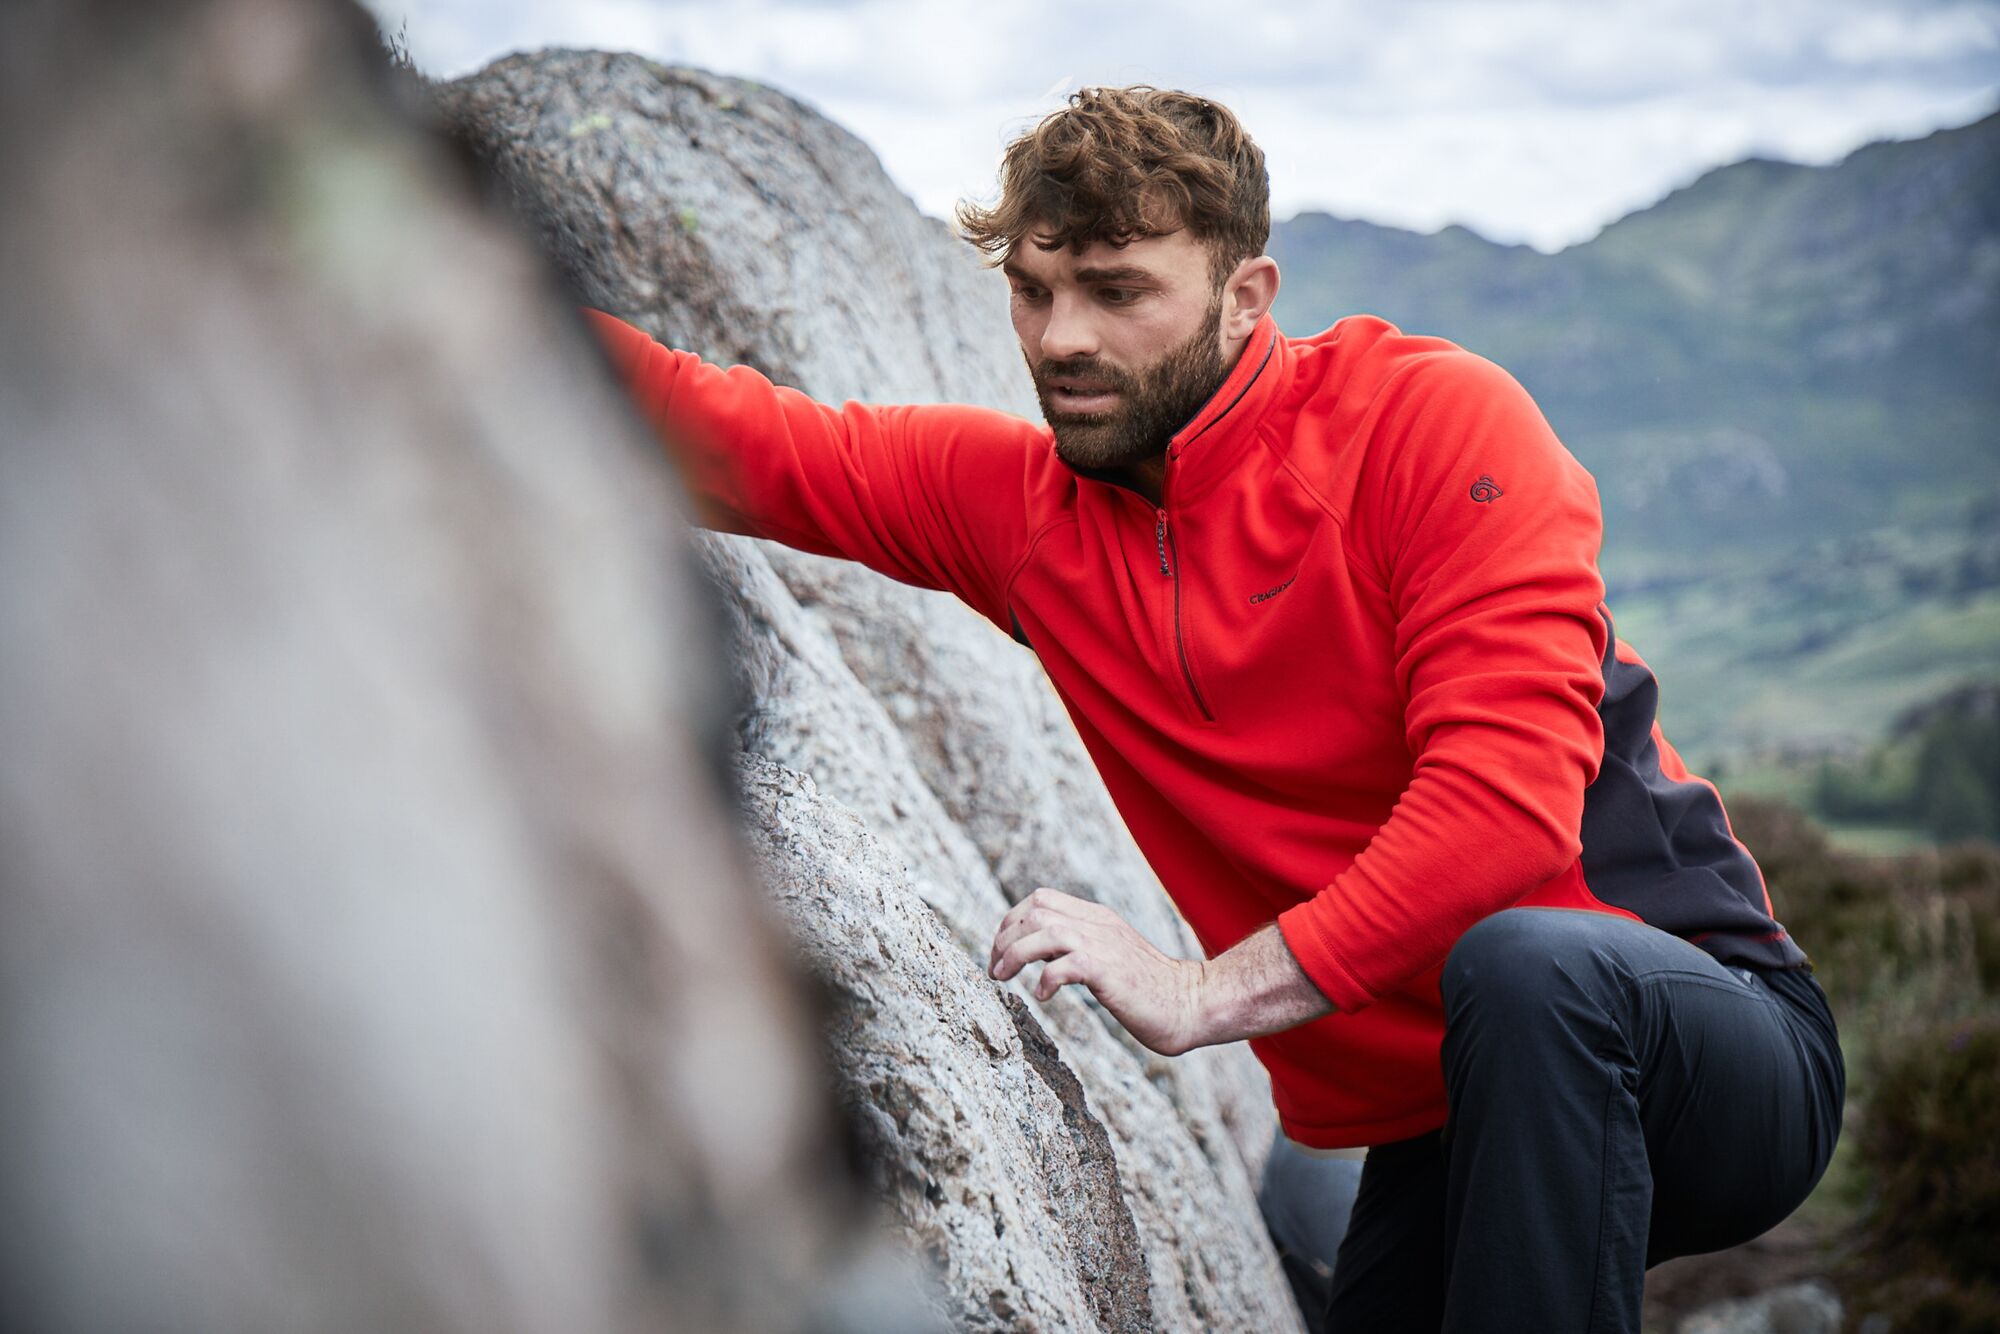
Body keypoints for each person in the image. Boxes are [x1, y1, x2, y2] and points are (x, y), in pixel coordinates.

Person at [585, 86, 1844, 1333]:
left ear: (1246, 295)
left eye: (1116, 290)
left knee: (1526, 963)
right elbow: (735, 437)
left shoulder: (1422, 424)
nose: (1059, 337)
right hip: (1449, 1118)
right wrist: (465, 286)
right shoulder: (1028, 520)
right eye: (1032, 289)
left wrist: (1201, 993)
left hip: (1691, 1038)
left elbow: (1503, 813)